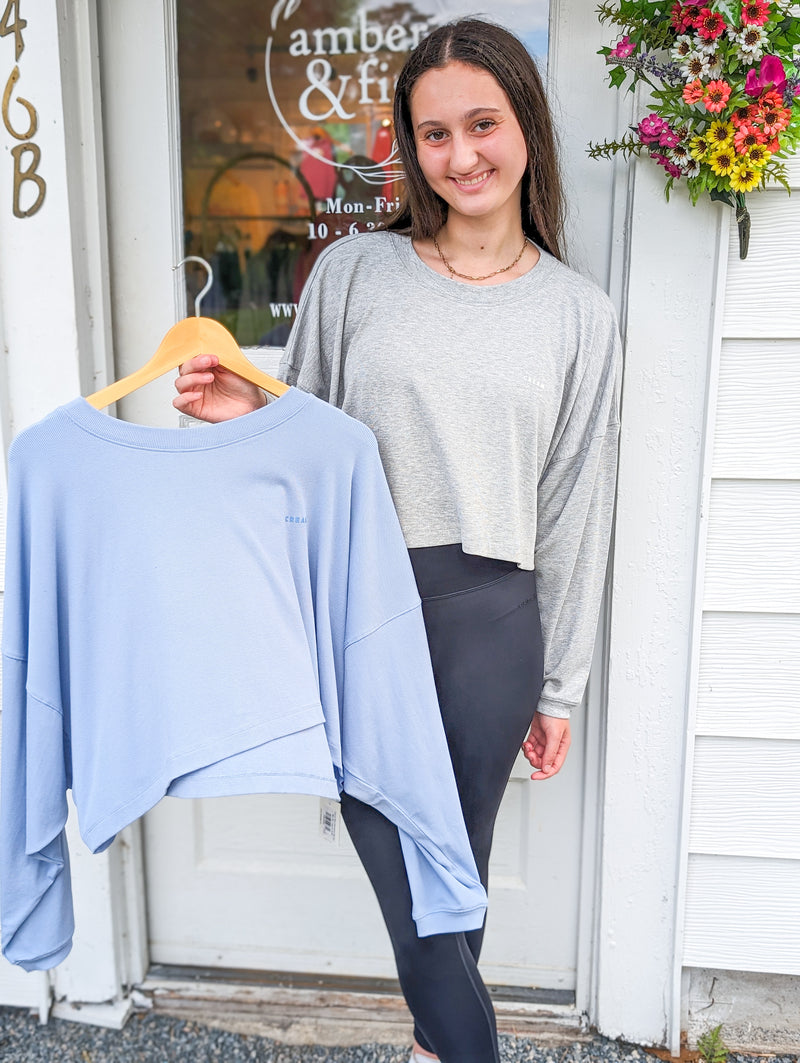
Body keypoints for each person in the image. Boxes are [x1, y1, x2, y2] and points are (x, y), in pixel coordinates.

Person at [174, 18, 621, 1063]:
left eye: (481, 124)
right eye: (433, 134)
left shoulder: (577, 314)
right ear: (409, 148)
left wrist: (558, 684)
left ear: (524, 129)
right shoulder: (355, 274)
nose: (460, 155)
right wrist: (249, 411)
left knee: (448, 866)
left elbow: (574, 502)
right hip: (361, 607)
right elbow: (310, 439)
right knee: (404, 863)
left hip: (490, 624)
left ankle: (438, 1051)